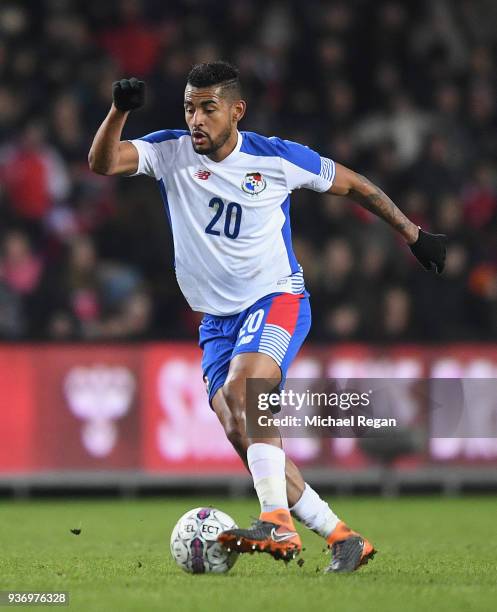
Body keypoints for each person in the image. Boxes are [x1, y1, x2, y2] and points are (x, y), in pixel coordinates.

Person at [88, 61, 446, 572]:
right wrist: (119, 111)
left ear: (236, 111)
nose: (196, 120)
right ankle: (342, 536)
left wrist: (414, 234)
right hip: (216, 321)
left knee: (245, 389)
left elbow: (355, 186)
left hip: (275, 297)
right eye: (189, 107)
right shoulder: (170, 151)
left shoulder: (276, 158)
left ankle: (276, 520)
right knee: (240, 427)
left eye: (208, 109)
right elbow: (103, 163)